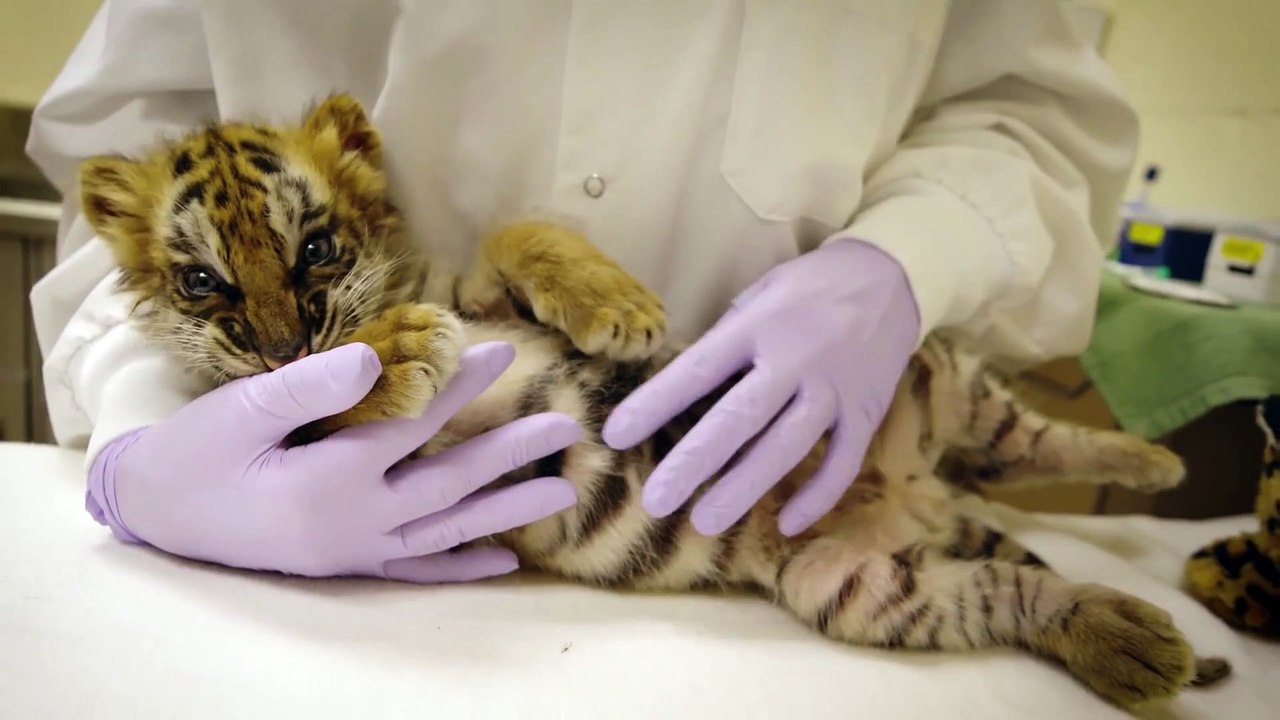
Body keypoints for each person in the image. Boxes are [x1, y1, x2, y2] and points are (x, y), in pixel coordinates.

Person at [27, 1, 1138, 583]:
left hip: (790, 496)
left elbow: (1029, 112)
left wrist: (901, 262)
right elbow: (126, 171)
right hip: (311, 537)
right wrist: (142, 434)